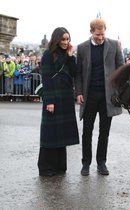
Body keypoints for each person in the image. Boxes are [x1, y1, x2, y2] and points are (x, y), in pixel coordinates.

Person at [75, 19, 124, 176]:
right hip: (89, 96)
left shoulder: (114, 45)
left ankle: (101, 162)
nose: (101, 37)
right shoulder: (82, 48)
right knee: (87, 131)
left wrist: (118, 92)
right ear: (91, 31)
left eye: (103, 34)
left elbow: (121, 70)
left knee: (105, 131)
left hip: (108, 97)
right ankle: (86, 163)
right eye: (97, 34)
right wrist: (79, 92)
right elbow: (78, 73)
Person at [38, 27, 79, 177]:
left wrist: (71, 56)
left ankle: (60, 166)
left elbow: (75, 73)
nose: (65, 42)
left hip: (66, 97)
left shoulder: (67, 54)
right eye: (63, 39)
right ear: (56, 39)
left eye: (67, 39)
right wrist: (49, 101)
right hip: (53, 97)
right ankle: (46, 168)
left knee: (61, 134)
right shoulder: (48, 55)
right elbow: (47, 79)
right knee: (50, 134)